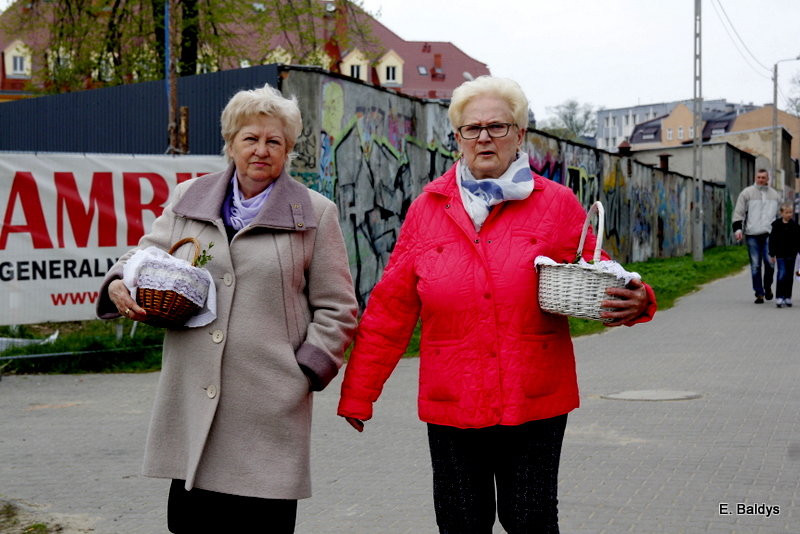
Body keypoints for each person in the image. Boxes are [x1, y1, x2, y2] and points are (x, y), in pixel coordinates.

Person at [336, 76, 657, 533]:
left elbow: (600, 268)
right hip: (453, 400)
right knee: (460, 523)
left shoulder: (556, 204)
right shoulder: (427, 210)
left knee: (531, 521)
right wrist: (359, 392)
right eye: (472, 128)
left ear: (519, 134)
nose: (484, 137)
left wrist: (639, 298)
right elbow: (391, 309)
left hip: (533, 399)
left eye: (497, 126)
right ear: (457, 138)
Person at [96, 83, 358, 533]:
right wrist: (121, 281)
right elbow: (145, 256)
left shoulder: (314, 213)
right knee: (193, 524)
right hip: (194, 395)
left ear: (288, 149)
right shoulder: (189, 197)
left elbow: (338, 307)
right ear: (231, 143)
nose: (261, 150)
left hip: (268, 404)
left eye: (274, 141)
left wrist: (303, 372)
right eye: (250, 138)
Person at [732, 168, 781, 304]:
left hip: (769, 234)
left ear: (767, 179)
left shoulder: (775, 195)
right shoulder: (747, 193)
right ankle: (759, 293)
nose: (760, 180)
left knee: (770, 264)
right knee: (755, 265)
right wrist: (738, 230)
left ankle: (767, 287)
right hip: (752, 234)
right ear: (755, 178)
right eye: (758, 177)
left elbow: (779, 215)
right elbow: (739, 212)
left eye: (763, 177)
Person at [768, 202, 800, 308]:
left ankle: (787, 297)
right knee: (781, 274)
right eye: (787, 212)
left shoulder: (795, 226)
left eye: (790, 212)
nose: (789, 214)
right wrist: (772, 254)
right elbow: (772, 240)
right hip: (780, 254)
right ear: (781, 213)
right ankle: (779, 296)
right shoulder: (776, 225)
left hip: (791, 254)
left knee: (789, 276)